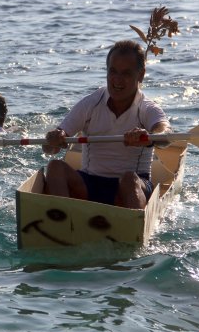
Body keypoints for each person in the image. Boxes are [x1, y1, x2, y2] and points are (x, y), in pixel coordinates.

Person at [42, 40, 171, 209]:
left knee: (128, 179)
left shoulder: (147, 108)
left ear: (141, 75)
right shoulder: (91, 103)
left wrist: (151, 137)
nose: (117, 80)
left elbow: (165, 134)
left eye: (126, 73)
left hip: (131, 187)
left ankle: (133, 226)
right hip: (89, 183)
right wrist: (53, 140)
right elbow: (49, 149)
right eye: (113, 71)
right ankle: (65, 218)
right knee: (55, 167)